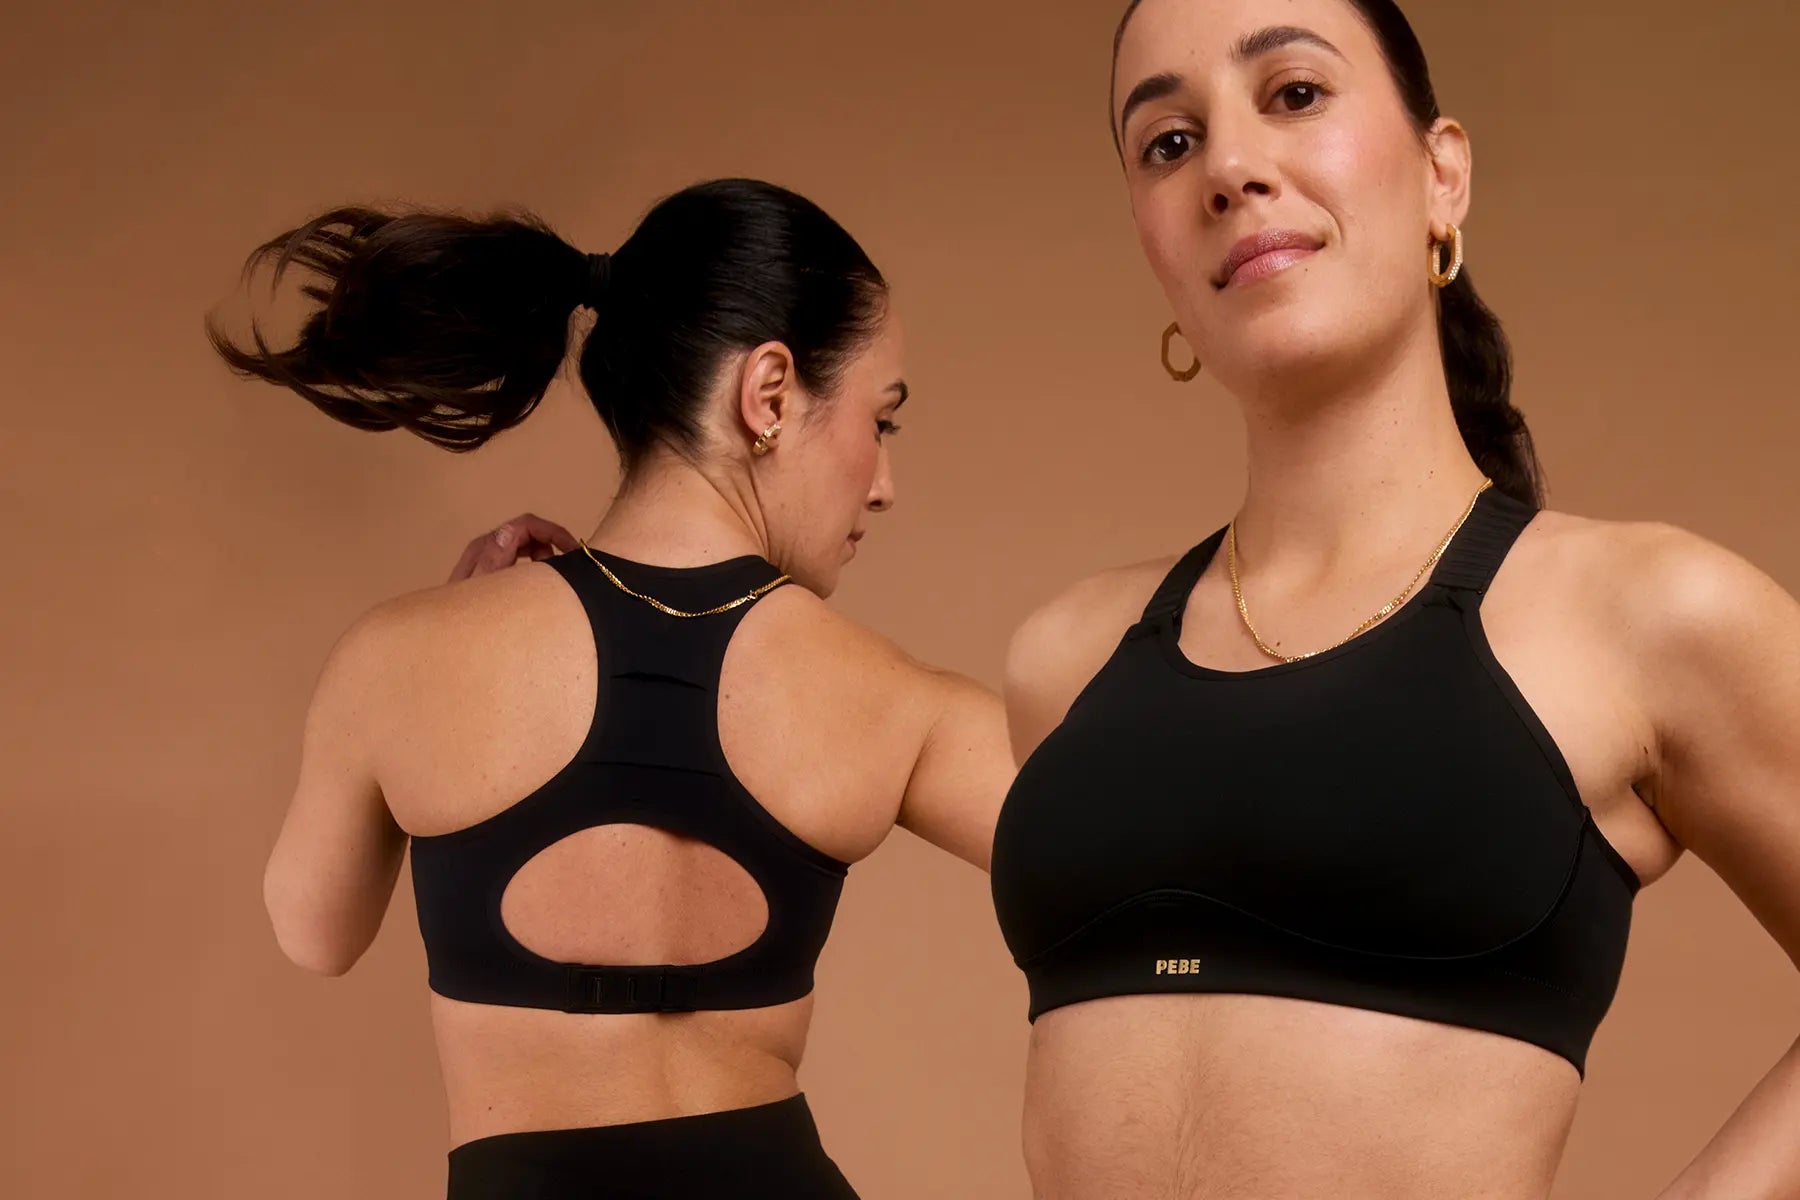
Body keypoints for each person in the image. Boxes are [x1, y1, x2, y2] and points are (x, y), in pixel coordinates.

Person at [988, 1, 1800, 1197]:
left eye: (1295, 95)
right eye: (1168, 141)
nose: (1230, 166)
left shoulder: (1642, 612)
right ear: (1150, 242)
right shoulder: (1065, 660)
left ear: (1443, 175)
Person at [208, 178, 1011, 1199]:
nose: (884, 481)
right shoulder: (893, 700)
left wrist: (457, 638)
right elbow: (1141, 850)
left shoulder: (396, 657)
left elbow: (314, 934)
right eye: (881, 422)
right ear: (768, 394)